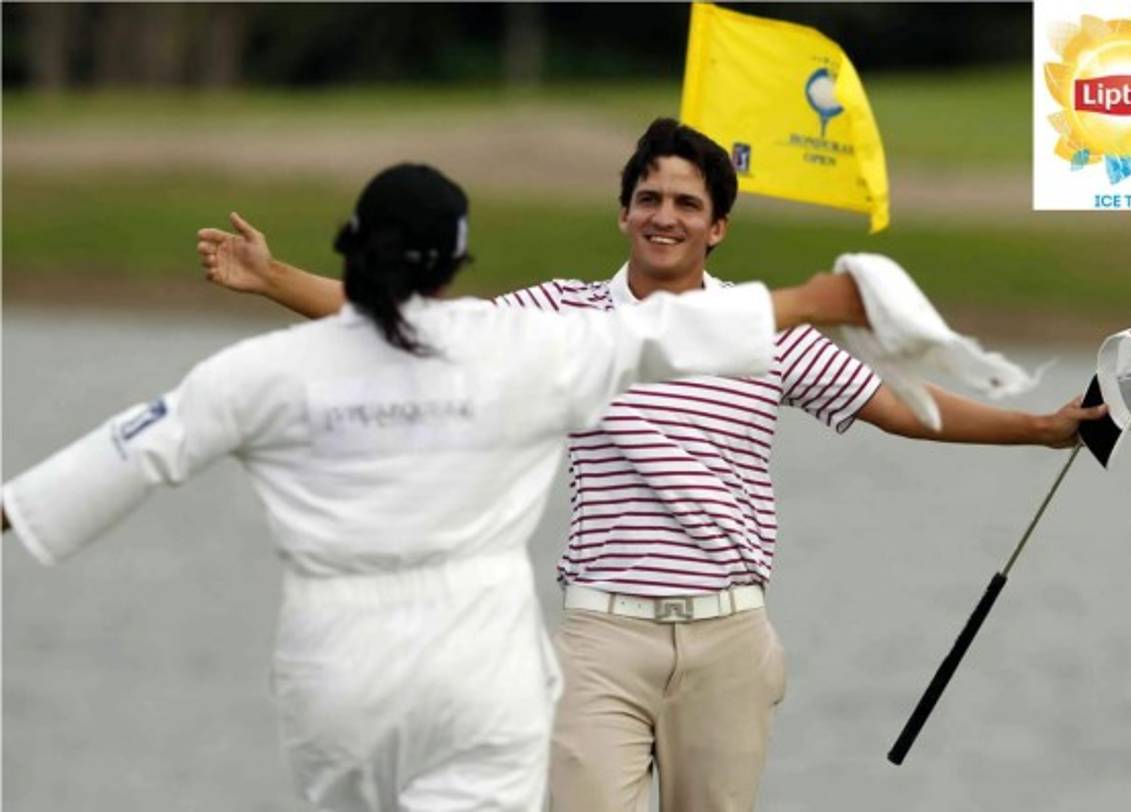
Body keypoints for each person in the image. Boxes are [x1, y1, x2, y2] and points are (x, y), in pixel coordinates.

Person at [195, 122, 1104, 812]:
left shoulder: (761, 327)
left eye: (687, 204)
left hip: (728, 639)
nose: (665, 215)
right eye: (649, 198)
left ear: (718, 228)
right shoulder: (563, 315)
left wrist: (1039, 428)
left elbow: (900, 408)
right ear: (624, 211)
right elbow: (427, 330)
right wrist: (274, 280)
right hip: (603, 638)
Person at [2, 162, 874, 812]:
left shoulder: (261, 372)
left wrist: (271, 281)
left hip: (335, 670)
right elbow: (665, 337)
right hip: (477, 670)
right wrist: (816, 298)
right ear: (456, 263)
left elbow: (112, 461)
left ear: (353, 248)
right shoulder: (518, 346)